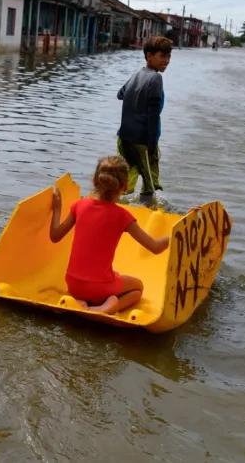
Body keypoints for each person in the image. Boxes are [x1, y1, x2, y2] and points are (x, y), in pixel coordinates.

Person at [50, 156, 170, 314]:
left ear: (95, 181)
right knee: (138, 288)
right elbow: (155, 247)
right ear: (125, 186)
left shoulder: (79, 205)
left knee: (115, 275)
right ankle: (109, 307)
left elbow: (55, 236)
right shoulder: (123, 216)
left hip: (73, 285)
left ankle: (82, 301)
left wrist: (57, 209)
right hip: (100, 288)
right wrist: (178, 231)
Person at [116, 35, 172, 202]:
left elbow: (120, 94)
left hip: (124, 137)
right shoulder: (156, 78)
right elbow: (153, 115)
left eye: (169, 57)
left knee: (127, 175)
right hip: (143, 140)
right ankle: (145, 211)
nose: (167, 61)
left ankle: (118, 206)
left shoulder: (137, 74)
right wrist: (152, 144)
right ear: (149, 56)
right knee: (149, 180)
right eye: (162, 56)